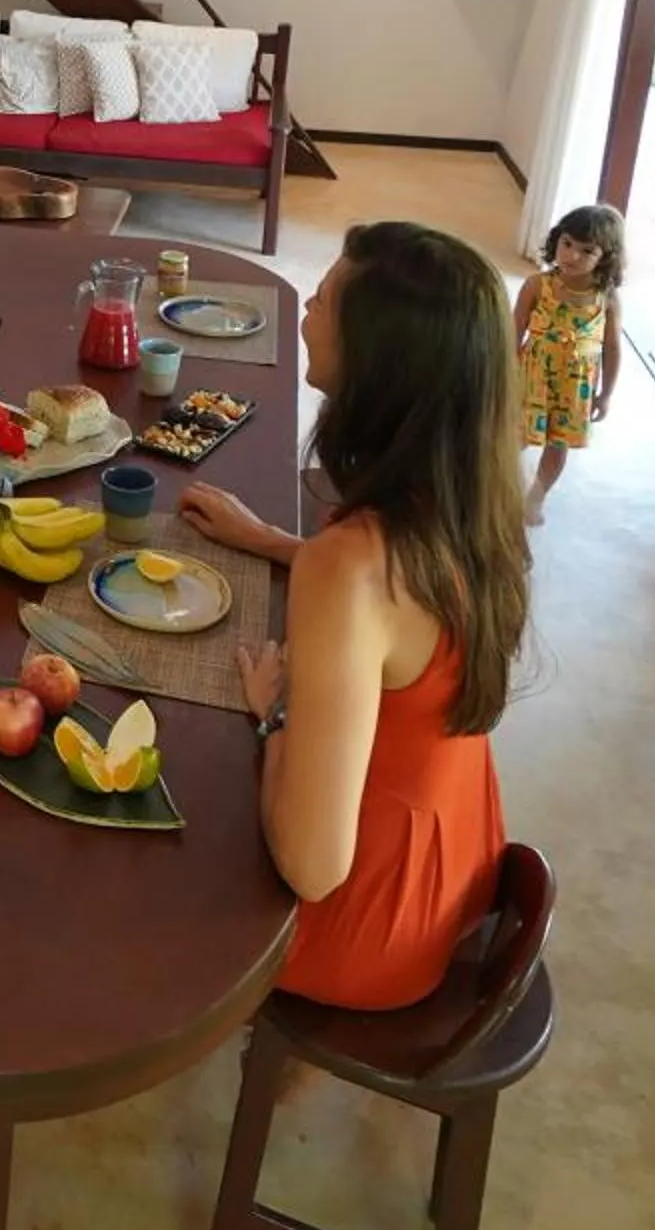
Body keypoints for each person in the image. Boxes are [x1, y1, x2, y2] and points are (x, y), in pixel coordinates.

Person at [180, 221, 529, 1011]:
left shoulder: (351, 567)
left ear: (378, 361)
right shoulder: (472, 500)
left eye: (327, 297)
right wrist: (272, 541)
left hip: (368, 925)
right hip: (453, 866)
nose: (307, 304)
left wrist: (276, 719)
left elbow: (312, 867)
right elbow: (397, 617)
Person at [514, 203, 624, 526]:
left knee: (557, 444)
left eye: (587, 251)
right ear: (556, 240)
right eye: (567, 244)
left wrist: (605, 395)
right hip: (531, 378)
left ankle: (537, 496)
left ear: (605, 257)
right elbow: (514, 329)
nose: (572, 256)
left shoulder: (607, 299)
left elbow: (612, 348)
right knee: (515, 436)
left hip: (575, 388)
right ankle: (493, 486)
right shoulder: (537, 285)